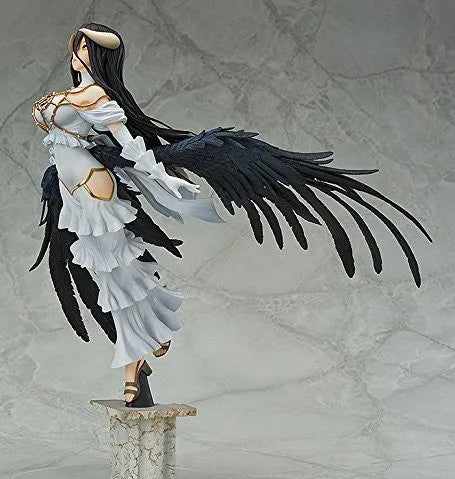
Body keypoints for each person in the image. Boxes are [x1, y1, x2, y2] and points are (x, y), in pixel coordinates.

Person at [29, 23, 432, 407]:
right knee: (105, 275)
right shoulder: (72, 94)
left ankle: (133, 364)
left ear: (100, 55)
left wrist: (164, 178)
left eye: (88, 46)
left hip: (95, 192)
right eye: (78, 44)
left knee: (118, 276)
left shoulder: (98, 98)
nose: (79, 51)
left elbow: (131, 143)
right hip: (70, 195)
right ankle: (150, 332)